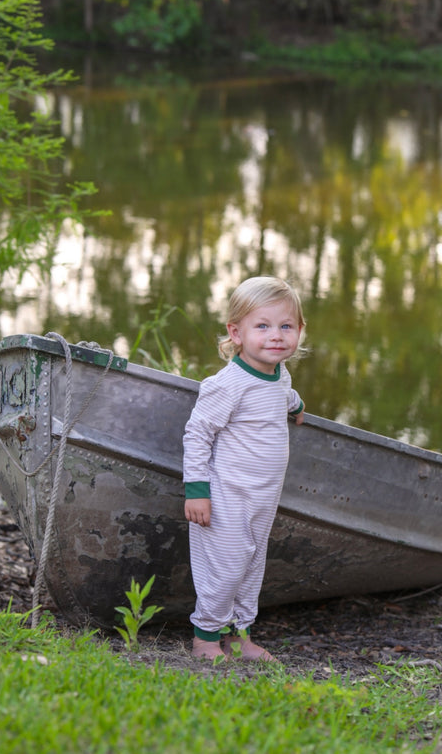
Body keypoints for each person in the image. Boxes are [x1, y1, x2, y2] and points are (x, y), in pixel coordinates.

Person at [182, 276, 306, 661]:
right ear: (236, 333)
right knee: (226, 565)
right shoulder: (228, 384)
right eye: (263, 326)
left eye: (286, 326)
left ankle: (239, 635)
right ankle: (205, 636)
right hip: (226, 496)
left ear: (300, 331)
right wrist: (197, 490)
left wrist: (296, 407)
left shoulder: (278, 373)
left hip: (262, 497)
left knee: (252, 564)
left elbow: (282, 394)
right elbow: (197, 434)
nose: (276, 336)